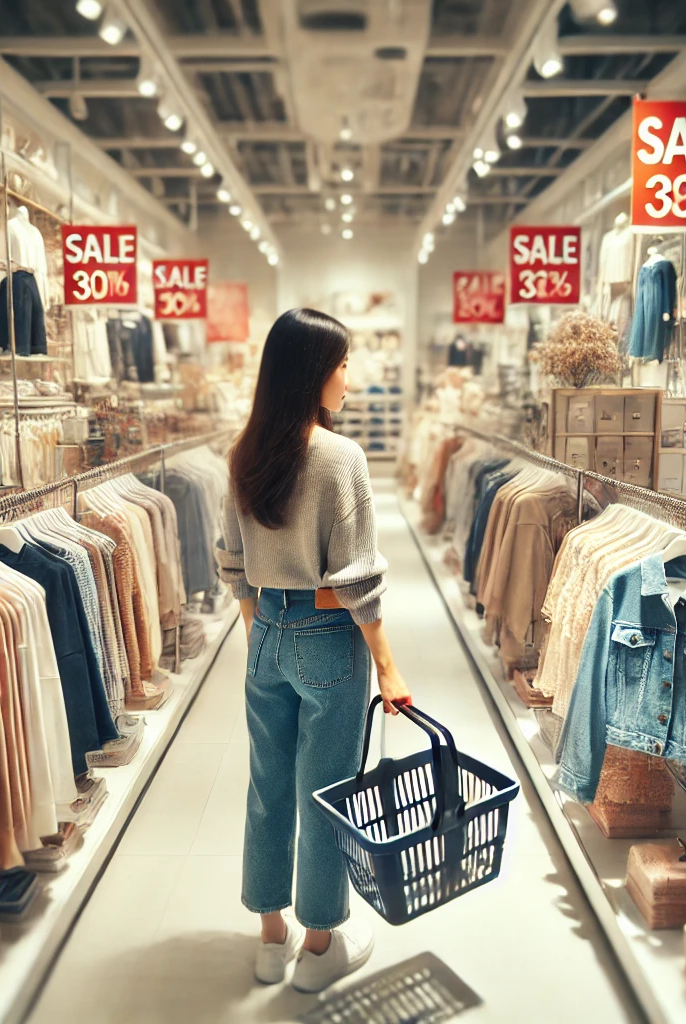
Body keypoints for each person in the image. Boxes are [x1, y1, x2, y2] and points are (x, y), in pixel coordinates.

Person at [216, 307, 412, 994]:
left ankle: (271, 939)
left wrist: (259, 633)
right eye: (343, 365)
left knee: (267, 788)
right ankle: (320, 945)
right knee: (327, 792)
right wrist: (388, 666)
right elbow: (357, 580)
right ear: (314, 374)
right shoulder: (341, 458)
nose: (350, 380)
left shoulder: (245, 452)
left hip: (265, 630)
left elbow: (234, 564)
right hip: (328, 642)